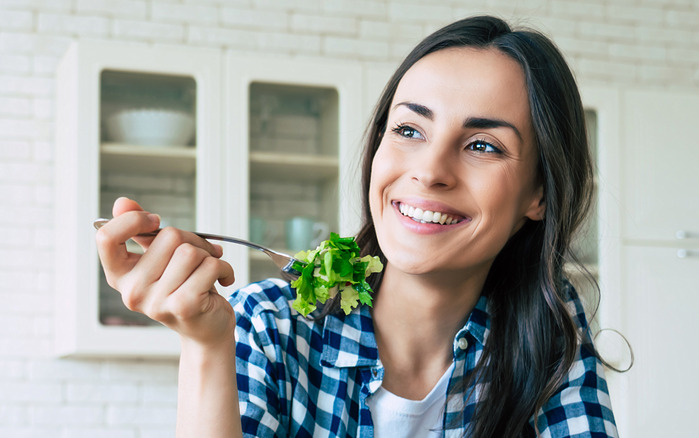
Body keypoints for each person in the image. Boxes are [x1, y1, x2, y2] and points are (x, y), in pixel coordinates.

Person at [96, 15, 618, 438]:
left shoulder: (548, 332)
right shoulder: (269, 326)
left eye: (483, 145)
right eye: (409, 129)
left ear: (539, 193)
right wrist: (207, 345)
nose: (430, 171)